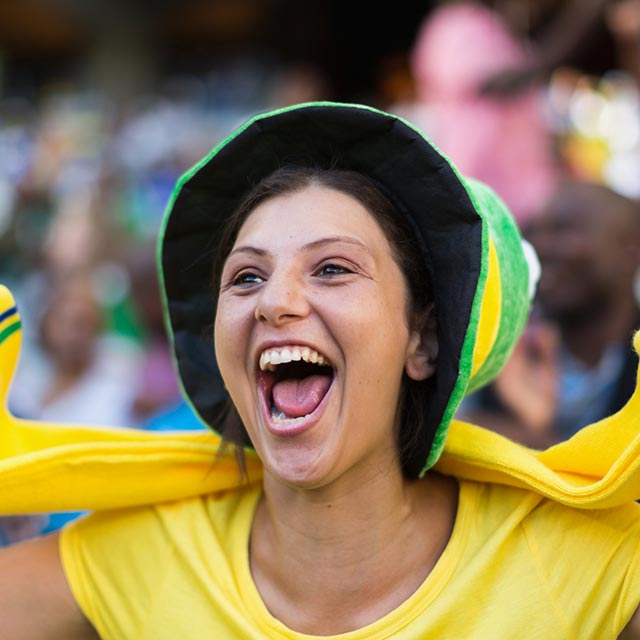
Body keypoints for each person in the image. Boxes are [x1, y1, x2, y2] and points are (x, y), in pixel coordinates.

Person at [0, 103, 638, 638]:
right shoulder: (139, 556)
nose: (274, 302)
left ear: (423, 341)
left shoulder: (578, 567)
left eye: (332, 268)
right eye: (245, 277)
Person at [462, 179, 640, 446]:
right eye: (534, 232)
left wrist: (530, 439)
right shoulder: (501, 345)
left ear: (630, 249)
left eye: (564, 230)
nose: (540, 246)